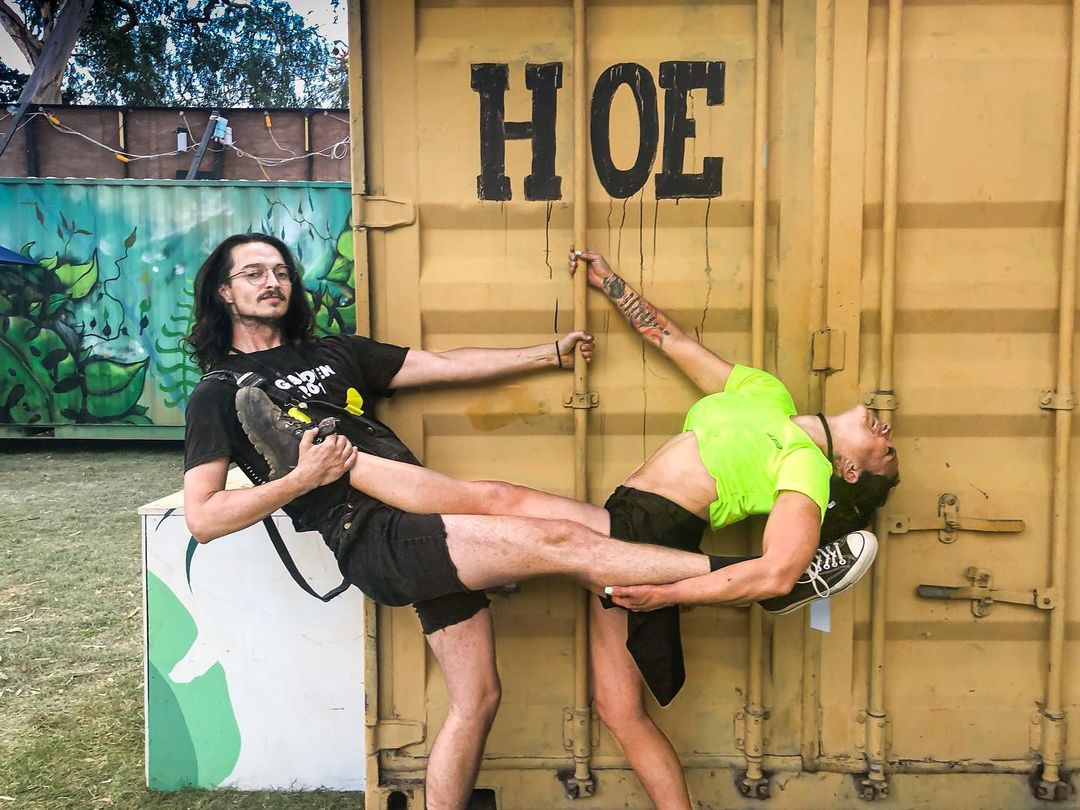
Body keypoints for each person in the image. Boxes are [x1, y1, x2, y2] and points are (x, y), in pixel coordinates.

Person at [236, 248, 900, 810]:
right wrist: (611, 285)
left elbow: (779, 566)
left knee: (491, 498)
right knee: (620, 711)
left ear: (850, 470)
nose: (886, 429)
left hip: (650, 532)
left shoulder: (809, 468)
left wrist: (679, 591)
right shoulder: (765, 394)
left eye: (886, 452)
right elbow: (669, 339)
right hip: (629, 522)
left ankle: (323, 459)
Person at [183, 233, 747, 810]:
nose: (272, 282)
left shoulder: (334, 353)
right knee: (556, 537)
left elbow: (444, 365)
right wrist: (300, 479)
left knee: (478, 698)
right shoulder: (219, 393)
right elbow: (203, 518)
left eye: (280, 271)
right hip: (373, 535)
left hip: (427, 514)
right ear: (224, 291)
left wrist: (548, 354)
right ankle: (750, 574)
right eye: (254, 273)